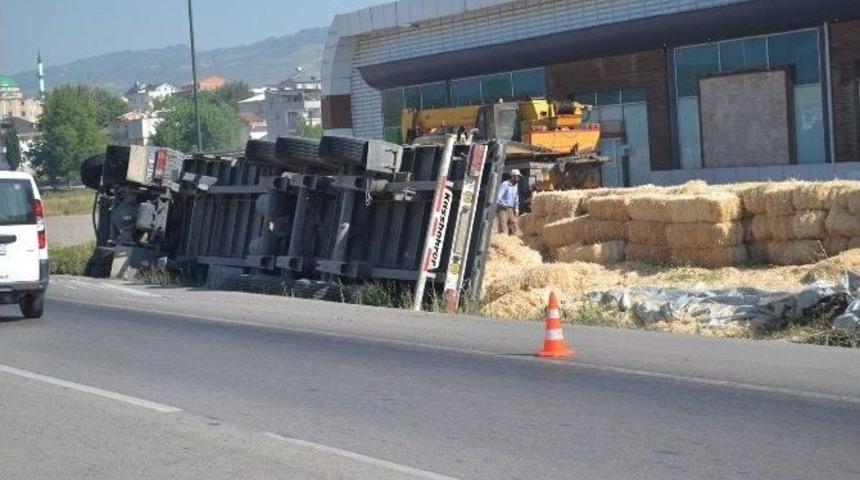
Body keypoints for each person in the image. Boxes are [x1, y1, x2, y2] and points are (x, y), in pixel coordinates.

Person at [496, 169, 522, 235]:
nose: (519, 178)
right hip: (502, 208)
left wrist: (516, 208)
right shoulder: (505, 184)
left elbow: (516, 197)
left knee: (514, 225)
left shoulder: (516, 186)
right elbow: (498, 196)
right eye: (517, 176)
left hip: (511, 208)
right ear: (513, 177)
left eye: (519, 177)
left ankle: (514, 239)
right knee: (503, 227)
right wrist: (499, 205)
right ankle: (502, 239)